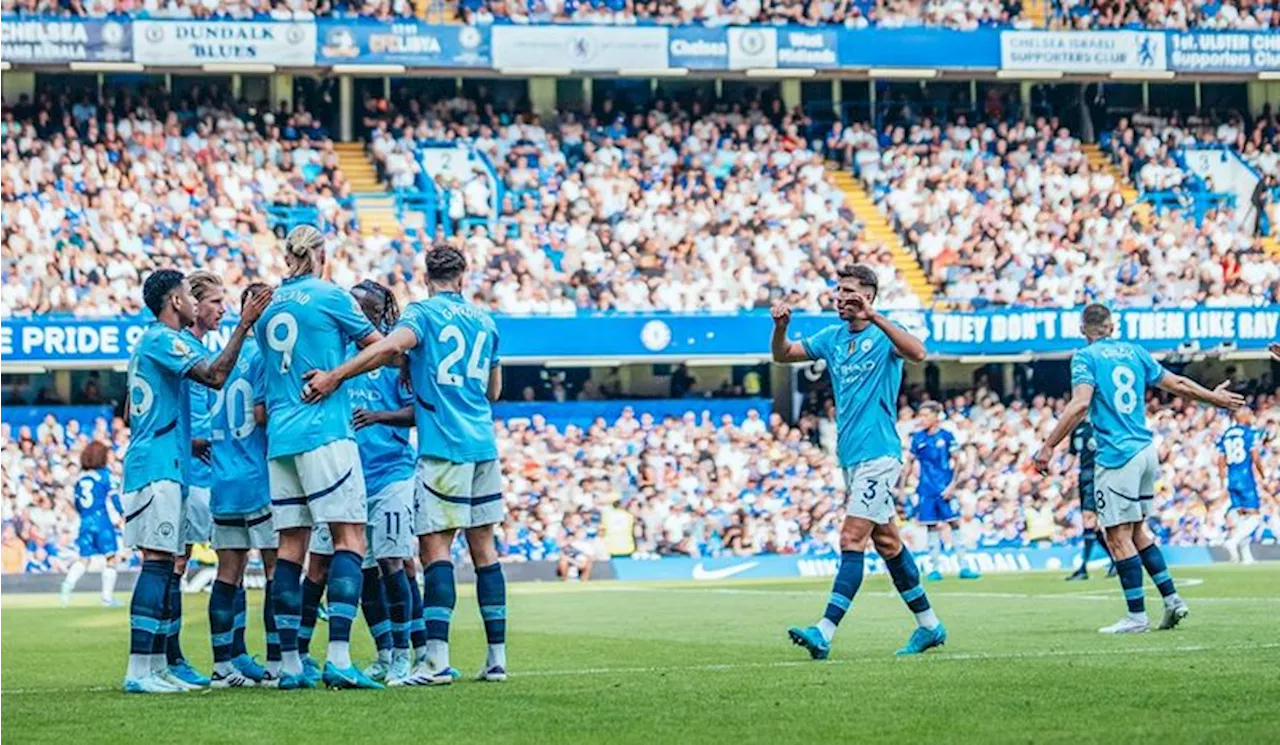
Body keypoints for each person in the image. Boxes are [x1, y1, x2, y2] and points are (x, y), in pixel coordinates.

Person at [303, 245, 508, 684]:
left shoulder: (423, 314)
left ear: (426, 275)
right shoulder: (487, 322)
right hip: (483, 445)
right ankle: (496, 659)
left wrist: (337, 375)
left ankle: (434, 660)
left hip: (444, 448)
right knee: (485, 552)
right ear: (464, 276)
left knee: (435, 553)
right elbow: (494, 391)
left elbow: (390, 347)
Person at [771, 263, 947, 658]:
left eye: (849, 291)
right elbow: (783, 356)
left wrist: (875, 317)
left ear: (867, 296)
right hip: (851, 457)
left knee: (851, 538)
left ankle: (824, 632)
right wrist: (781, 326)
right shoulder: (831, 338)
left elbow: (919, 352)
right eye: (838, 291)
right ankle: (930, 626)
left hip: (880, 454)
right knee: (887, 542)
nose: (840, 298)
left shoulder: (884, 337)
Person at [1034, 304, 1243, 634]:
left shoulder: (1085, 358)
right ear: (1112, 326)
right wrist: (1212, 399)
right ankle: (1172, 600)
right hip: (1146, 451)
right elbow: (1178, 384)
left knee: (1116, 537)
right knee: (1137, 532)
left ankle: (1136, 617)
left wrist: (1048, 446)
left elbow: (1080, 404)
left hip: (1117, 455)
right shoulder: (1135, 352)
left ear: (1082, 329)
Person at [121, 268, 270, 694]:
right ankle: (139, 669)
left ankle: (158, 665)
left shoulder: (162, 343)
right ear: (176, 302)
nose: (193, 301)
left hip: (170, 464)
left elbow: (131, 409)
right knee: (156, 563)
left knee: (166, 564)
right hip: (156, 467)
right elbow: (216, 376)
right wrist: (244, 325)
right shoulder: (161, 339)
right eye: (189, 295)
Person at [255, 224, 385, 690]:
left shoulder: (268, 307)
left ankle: (290, 664)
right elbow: (382, 349)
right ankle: (339, 659)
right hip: (326, 432)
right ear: (321, 254)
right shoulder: (331, 296)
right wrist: (336, 375)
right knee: (350, 540)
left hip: (281, 441)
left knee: (290, 549)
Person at [207, 282, 279, 688]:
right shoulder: (261, 357)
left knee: (227, 574)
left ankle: (222, 667)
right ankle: (274, 664)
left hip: (223, 478)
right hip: (259, 478)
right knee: (275, 571)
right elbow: (263, 415)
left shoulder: (222, 357)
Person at [345, 279, 418, 686]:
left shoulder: (394, 358)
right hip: (352, 478)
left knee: (393, 562)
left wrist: (377, 417)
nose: (355, 313)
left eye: (362, 308)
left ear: (379, 313)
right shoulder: (337, 353)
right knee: (365, 570)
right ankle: (384, 652)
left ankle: (405, 656)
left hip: (392, 473)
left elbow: (418, 413)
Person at [161, 270, 224, 689]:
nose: (223, 309)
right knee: (174, 564)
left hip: (210, 471)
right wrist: (193, 440)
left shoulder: (199, 348)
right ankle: (170, 655)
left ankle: (222, 657)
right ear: (194, 304)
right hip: (188, 472)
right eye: (216, 302)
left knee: (194, 562)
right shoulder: (181, 350)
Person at [906, 402, 979, 581]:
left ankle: (963, 566)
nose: (922, 419)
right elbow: (909, 462)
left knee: (954, 522)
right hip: (926, 489)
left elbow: (958, 462)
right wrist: (902, 487)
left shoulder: (946, 436)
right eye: (920, 415)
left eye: (926, 415)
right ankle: (934, 568)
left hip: (945, 487)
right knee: (931, 526)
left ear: (936, 416)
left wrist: (953, 485)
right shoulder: (918, 438)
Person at [59, 441, 124, 608]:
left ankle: (67, 586)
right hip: (101, 520)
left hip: (85, 520)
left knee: (84, 558)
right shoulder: (105, 475)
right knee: (111, 557)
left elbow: (77, 502)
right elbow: (114, 497)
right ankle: (107, 599)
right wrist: (123, 513)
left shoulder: (81, 478)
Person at [1064, 419, 1114, 581]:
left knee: (1088, 519)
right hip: (1083, 477)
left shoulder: (1101, 424)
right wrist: (1063, 473)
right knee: (1094, 525)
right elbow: (1072, 453)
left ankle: (1083, 567)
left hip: (1097, 475)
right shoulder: (1077, 429)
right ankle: (1116, 561)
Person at [1216, 408, 1263, 565]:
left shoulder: (1226, 433)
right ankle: (1232, 541)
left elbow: (1220, 459)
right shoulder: (1249, 433)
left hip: (1232, 478)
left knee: (1243, 517)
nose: (1251, 417)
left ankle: (1246, 557)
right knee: (1255, 516)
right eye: (1249, 414)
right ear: (1242, 417)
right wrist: (1263, 474)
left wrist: (1222, 480)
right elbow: (1255, 456)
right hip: (1245, 478)